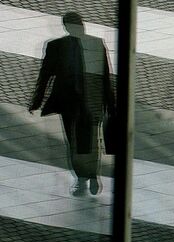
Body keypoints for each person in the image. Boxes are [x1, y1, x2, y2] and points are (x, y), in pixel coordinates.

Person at [29, 12, 115, 197]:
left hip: (70, 102)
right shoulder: (96, 43)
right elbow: (106, 77)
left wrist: (37, 100)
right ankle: (91, 176)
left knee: (75, 141)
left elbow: (45, 76)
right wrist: (110, 103)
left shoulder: (56, 46)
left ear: (66, 26)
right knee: (91, 139)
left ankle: (83, 178)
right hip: (92, 98)